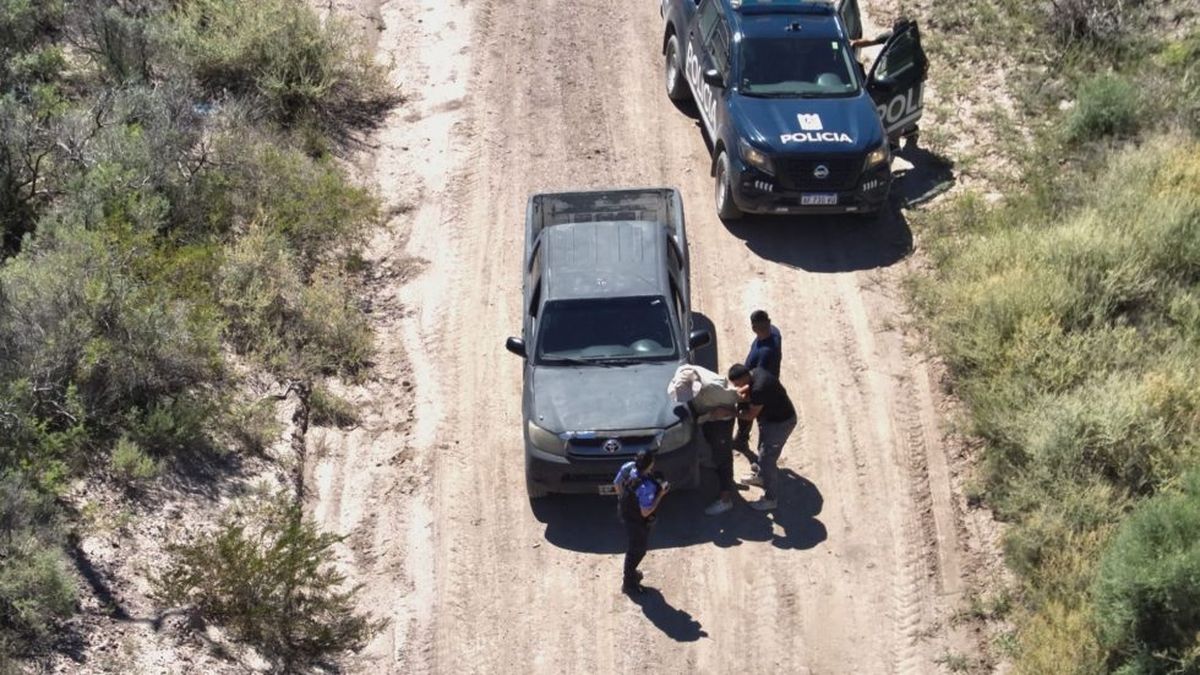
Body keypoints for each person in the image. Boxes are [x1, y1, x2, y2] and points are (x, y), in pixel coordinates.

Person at [668, 365, 740, 516]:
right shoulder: (683, 372)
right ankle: (713, 465)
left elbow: (737, 400)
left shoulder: (716, 390)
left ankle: (726, 499)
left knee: (723, 457)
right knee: (710, 443)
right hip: (706, 414)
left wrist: (724, 413)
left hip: (721, 420)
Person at [728, 363, 798, 511]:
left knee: (767, 460)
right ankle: (761, 477)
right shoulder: (755, 372)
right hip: (770, 420)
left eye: (737, 384)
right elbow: (748, 392)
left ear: (744, 377)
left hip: (781, 424)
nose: (737, 387)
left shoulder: (759, 388)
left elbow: (750, 416)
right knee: (762, 449)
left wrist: (730, 412)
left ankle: (771, 499)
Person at [614, 450, 670, 594]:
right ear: (651, 464)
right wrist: (660, 495)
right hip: (636, 520)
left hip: (625, 512)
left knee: (635, 547)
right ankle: (629, 583)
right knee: (637, 550)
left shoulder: (628, 468)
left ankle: (631, 574)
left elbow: (617, 484)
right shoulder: (646, 487)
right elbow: (645, 512)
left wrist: (625, 500)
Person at [735, 310, 782, 465]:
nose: (764, 330)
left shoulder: (765, 352)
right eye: (761, 327)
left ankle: (762, 460)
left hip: (760, 388)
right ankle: (742, 438)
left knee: (752, 414)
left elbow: (757, 377)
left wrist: (744, 391)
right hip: (762, 383)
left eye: (764, 327)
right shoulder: (774, 332)